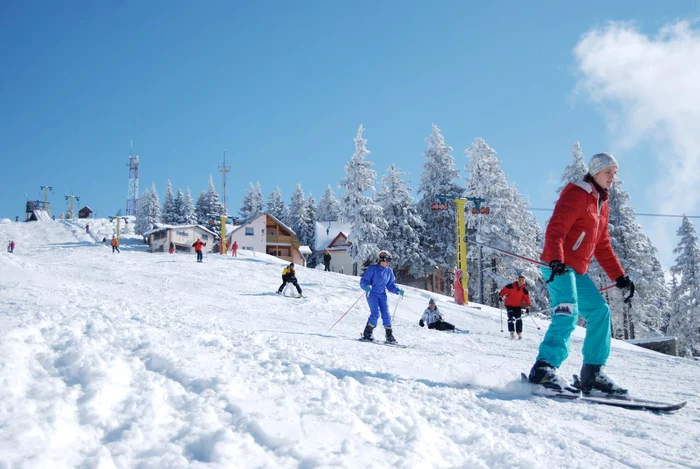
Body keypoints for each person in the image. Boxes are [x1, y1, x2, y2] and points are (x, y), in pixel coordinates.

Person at [528, 152, 635, 396]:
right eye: (608, 172)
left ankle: (592, 373)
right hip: (559, 265)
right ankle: (544, 368)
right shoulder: (577, 194)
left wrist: (620, 277)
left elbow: (602, 244)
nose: (612, 177)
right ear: (595, 172)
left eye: (615, 173)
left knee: (600, 312)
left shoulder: (601, 204)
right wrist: (556, 259)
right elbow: (556, 228)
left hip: (576, 269)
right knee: (568, 311)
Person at [360, 250, 404, 343]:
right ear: (381, 260)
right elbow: (364, 281)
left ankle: (389, 335)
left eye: (389, 261)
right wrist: (366, 286)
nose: (388, 263)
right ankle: (367, 334)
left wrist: (398, 290)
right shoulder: (372, 269)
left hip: (382, 295)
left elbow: (391, 285)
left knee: (386, 314)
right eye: (386, 261)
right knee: (375, 313)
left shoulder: (389, 271)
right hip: (372, 294)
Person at [499, 274, 531, 339]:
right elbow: (503, 291)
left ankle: (519, 332)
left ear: (524, 282)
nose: (521, 282)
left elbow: (526, 299)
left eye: (522, 281)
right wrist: (500, 296)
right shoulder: (510, 286)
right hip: (509, 304)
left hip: (517, 306)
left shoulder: (524, 290)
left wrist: (527, 307)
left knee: (518, 318)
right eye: (520, 280)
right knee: (510, 317)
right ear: (517, 280)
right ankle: (512, 332)